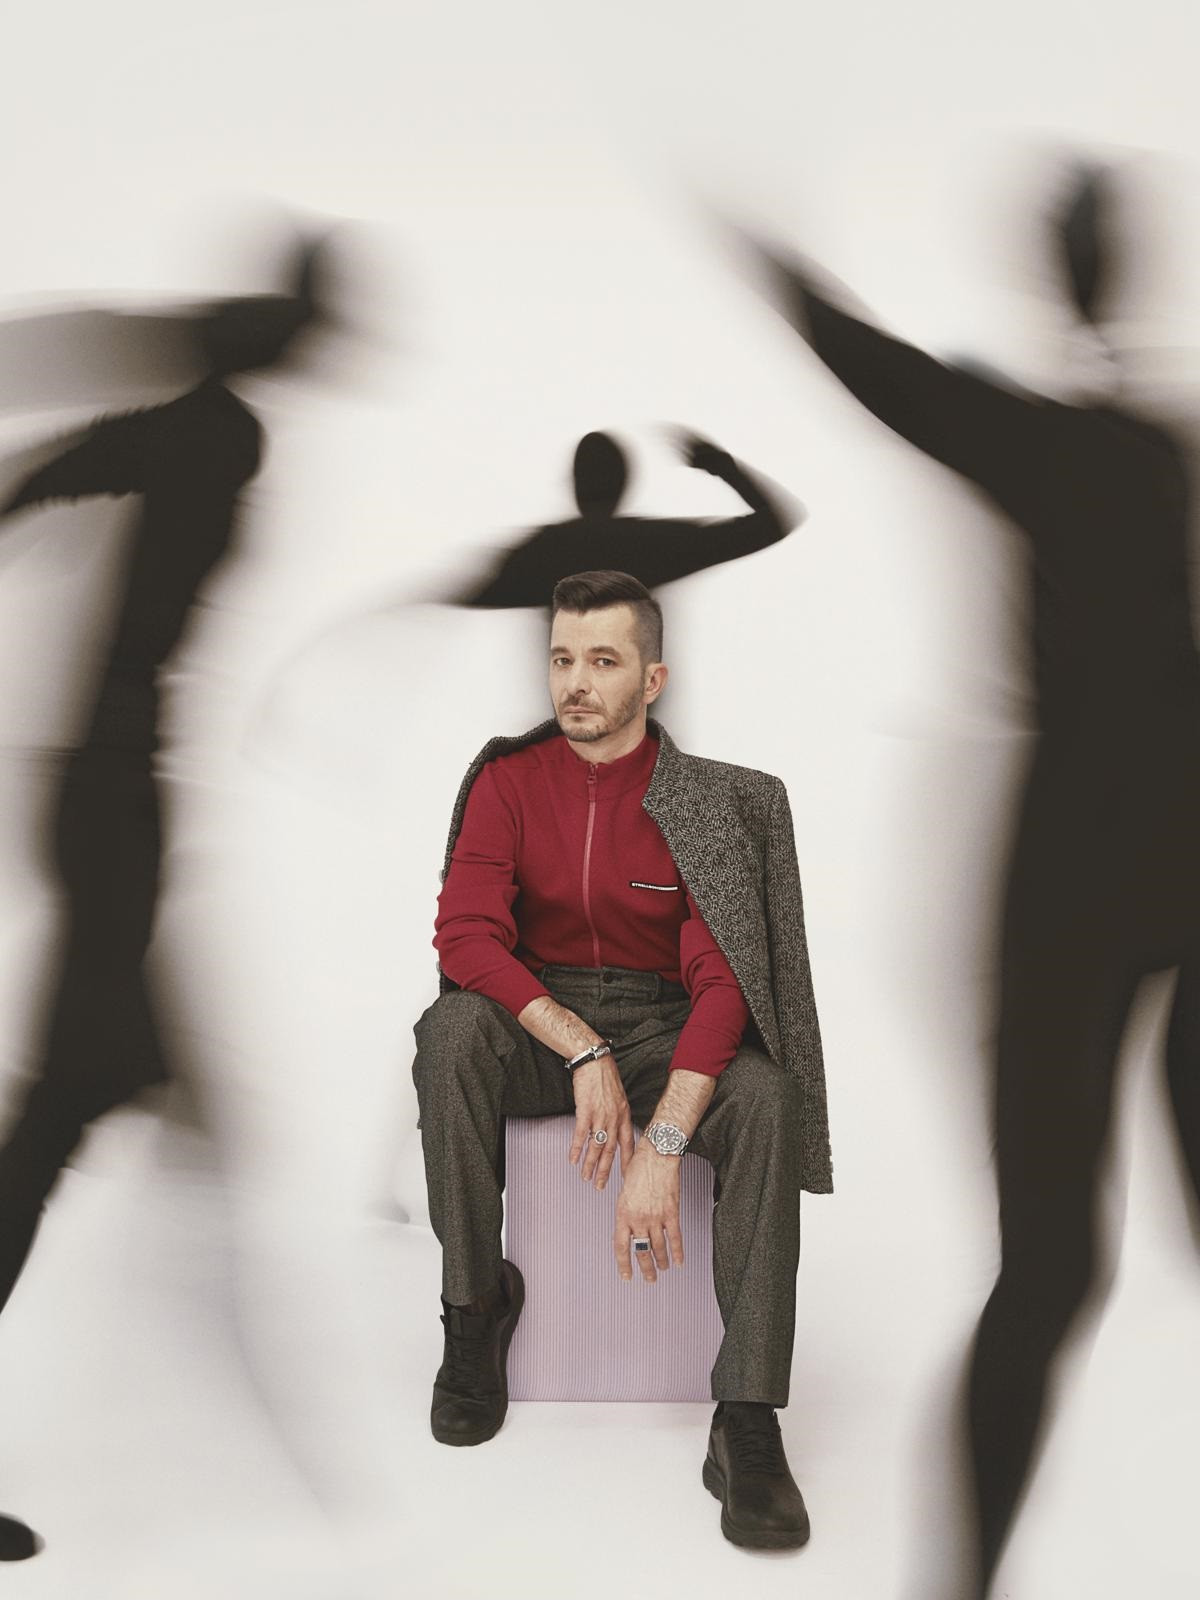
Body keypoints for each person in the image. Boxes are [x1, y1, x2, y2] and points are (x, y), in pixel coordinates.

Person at [743, 166, 1200, 1594]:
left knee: (1050, 1269)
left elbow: (871, 366)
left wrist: (767, 251)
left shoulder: (1049, 442)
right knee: (1055, 1270)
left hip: (1078, 860)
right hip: (1152, 846)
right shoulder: (1133, 448)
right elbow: (877, 368)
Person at [0, 235, 329, 1557]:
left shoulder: (198, 425)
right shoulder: (215, 433)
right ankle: (268, 1428)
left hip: (113, 789)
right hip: (113, 792)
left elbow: (43, 471)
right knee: (66, 1115)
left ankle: (257, 1416)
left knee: (85, 1108)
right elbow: (44, 471)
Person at [412, 568, 831, 1551]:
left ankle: (746, 1418)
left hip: (667, 1020)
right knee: (451, 1035)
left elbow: (726, 984)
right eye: (562, 658)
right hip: (542, 1017)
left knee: (765, 1097)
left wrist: (666, 1140)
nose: (576, 682)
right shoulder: (508, 784)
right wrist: (579, 1045)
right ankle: (474, 1308)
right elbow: (466, 938)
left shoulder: (705, 804)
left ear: (653, 679)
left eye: (603, 660)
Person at [453, 429, 803, 605]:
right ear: (624, 482)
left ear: (575, 484)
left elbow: (473, 593)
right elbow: (773, 522)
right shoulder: (653, 544)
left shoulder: (542, 551)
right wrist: (721, 466)